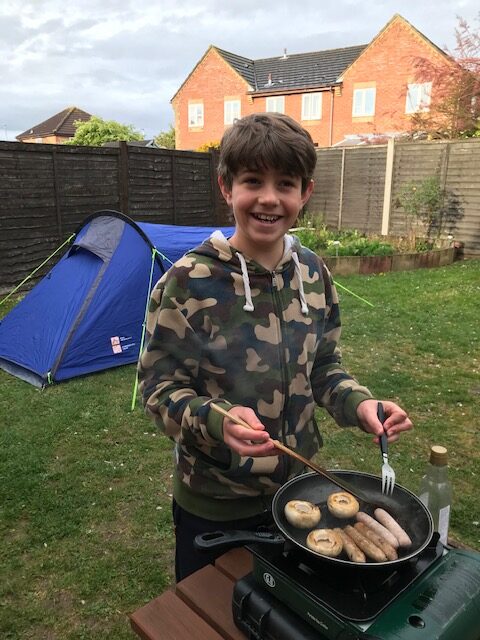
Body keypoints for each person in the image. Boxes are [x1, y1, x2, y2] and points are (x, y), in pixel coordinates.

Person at [137, 112, 412, 582]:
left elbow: (323, 367)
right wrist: (217, 420)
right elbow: (159, 392)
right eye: (252, 181)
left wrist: (360, 404)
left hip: (300, 499)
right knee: (208, 614)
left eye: (285, 183)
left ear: (305, 192)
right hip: (215, 504)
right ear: (226, 188)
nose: (269, 198)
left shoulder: (314, 273)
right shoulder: (187, 282)